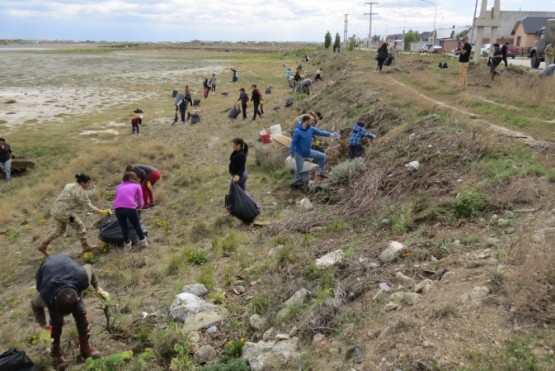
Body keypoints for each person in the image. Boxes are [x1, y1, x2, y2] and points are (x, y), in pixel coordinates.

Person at [31, 254, 106, 370]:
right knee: (56, 323)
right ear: (54, 300)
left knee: (81, 314)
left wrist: (98, 288)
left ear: (77, 299)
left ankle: (85, 348)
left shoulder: (82, 277)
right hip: (46, 272)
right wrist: (43, 325)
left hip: (69, 268)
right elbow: (34, 304)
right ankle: (55, 354)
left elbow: (90, 267)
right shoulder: (46, 295)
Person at [37, 174, 111, 257]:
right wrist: (102, 212)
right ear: (83, 183)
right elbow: (89, 208)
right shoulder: (81, 192)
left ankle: (43, 246)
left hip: (55, 210)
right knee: (80, 226)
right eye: (88, 183)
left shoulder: (70, 185)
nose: (89, 185)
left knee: (59, 231)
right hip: (65, 212)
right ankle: (85, 246)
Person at [288, 115, 339, 182]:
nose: (312, 123)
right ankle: (297, 184)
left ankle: (320, 175)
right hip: (300, 154)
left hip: (308, 152)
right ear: (306, 121)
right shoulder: (297, 131)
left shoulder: (311, 129)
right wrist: (291, 153)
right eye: (311, 121)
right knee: (299, 171)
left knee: (322, 156)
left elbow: (320, 132)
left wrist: (331, 134)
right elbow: (293, 143)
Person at [113, 172, 148, 249]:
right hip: (130, 208)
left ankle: (127, 246)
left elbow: (115, 199)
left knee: (124, 227)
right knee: (136, 225)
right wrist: (138, 207)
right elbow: (140, 201)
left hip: (118, 208)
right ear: (134, 178)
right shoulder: (137, 186)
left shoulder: (118, 187)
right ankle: (143, 242)